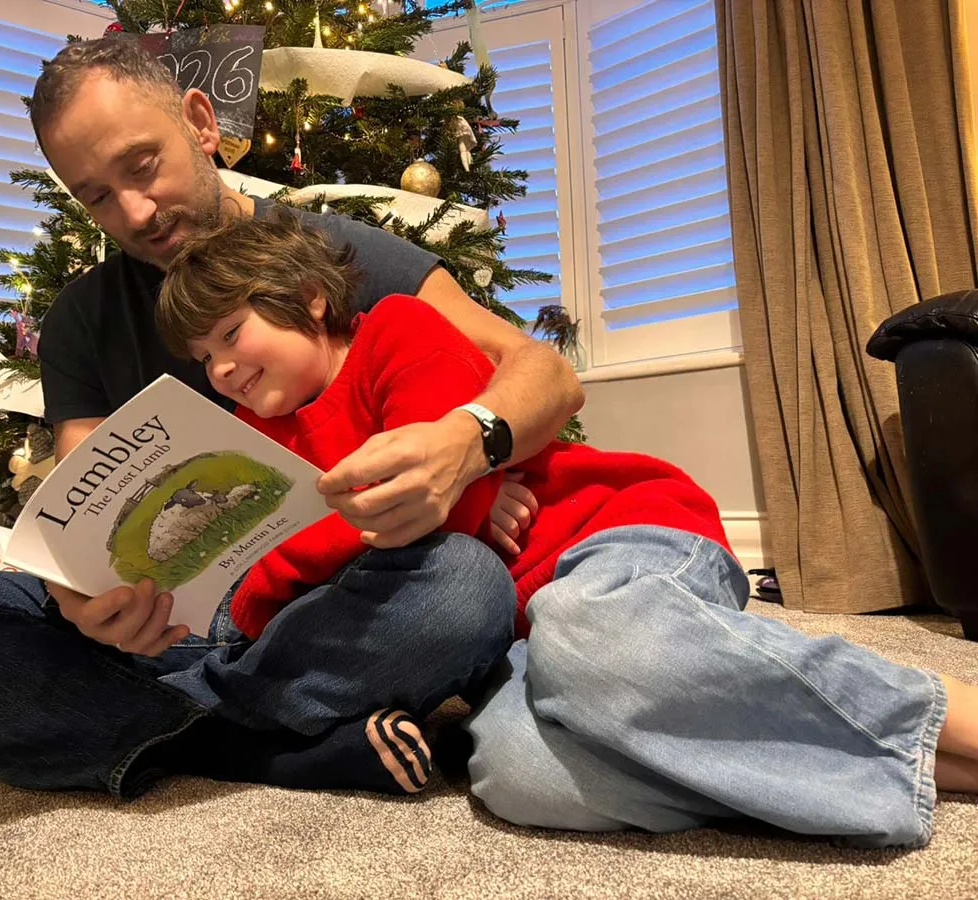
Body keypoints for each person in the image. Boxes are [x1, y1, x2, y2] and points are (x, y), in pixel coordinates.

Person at [0, 35, 571, 798]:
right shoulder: (84, 316)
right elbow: (83, 519)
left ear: (202, 123)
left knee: (465, 588)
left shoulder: (322, 256)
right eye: (97, 197)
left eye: (142, 168)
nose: (135, 212)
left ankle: (157, 721)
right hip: (167, 621)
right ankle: (246, 747)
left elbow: (545, 373)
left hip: (321, 593)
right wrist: (86, 606)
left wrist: (468, 444)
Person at [155, 211, 978, 850]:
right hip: (519, 628)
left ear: (310, 300)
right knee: (519, 775)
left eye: (232, 335)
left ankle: (958, 721)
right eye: (205, 356)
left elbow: (436, 509)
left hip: (610, 538)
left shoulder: (395, 331)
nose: (222, 368)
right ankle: (921, 761)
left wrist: (271, 585)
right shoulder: (255, 445)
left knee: (591, 638)